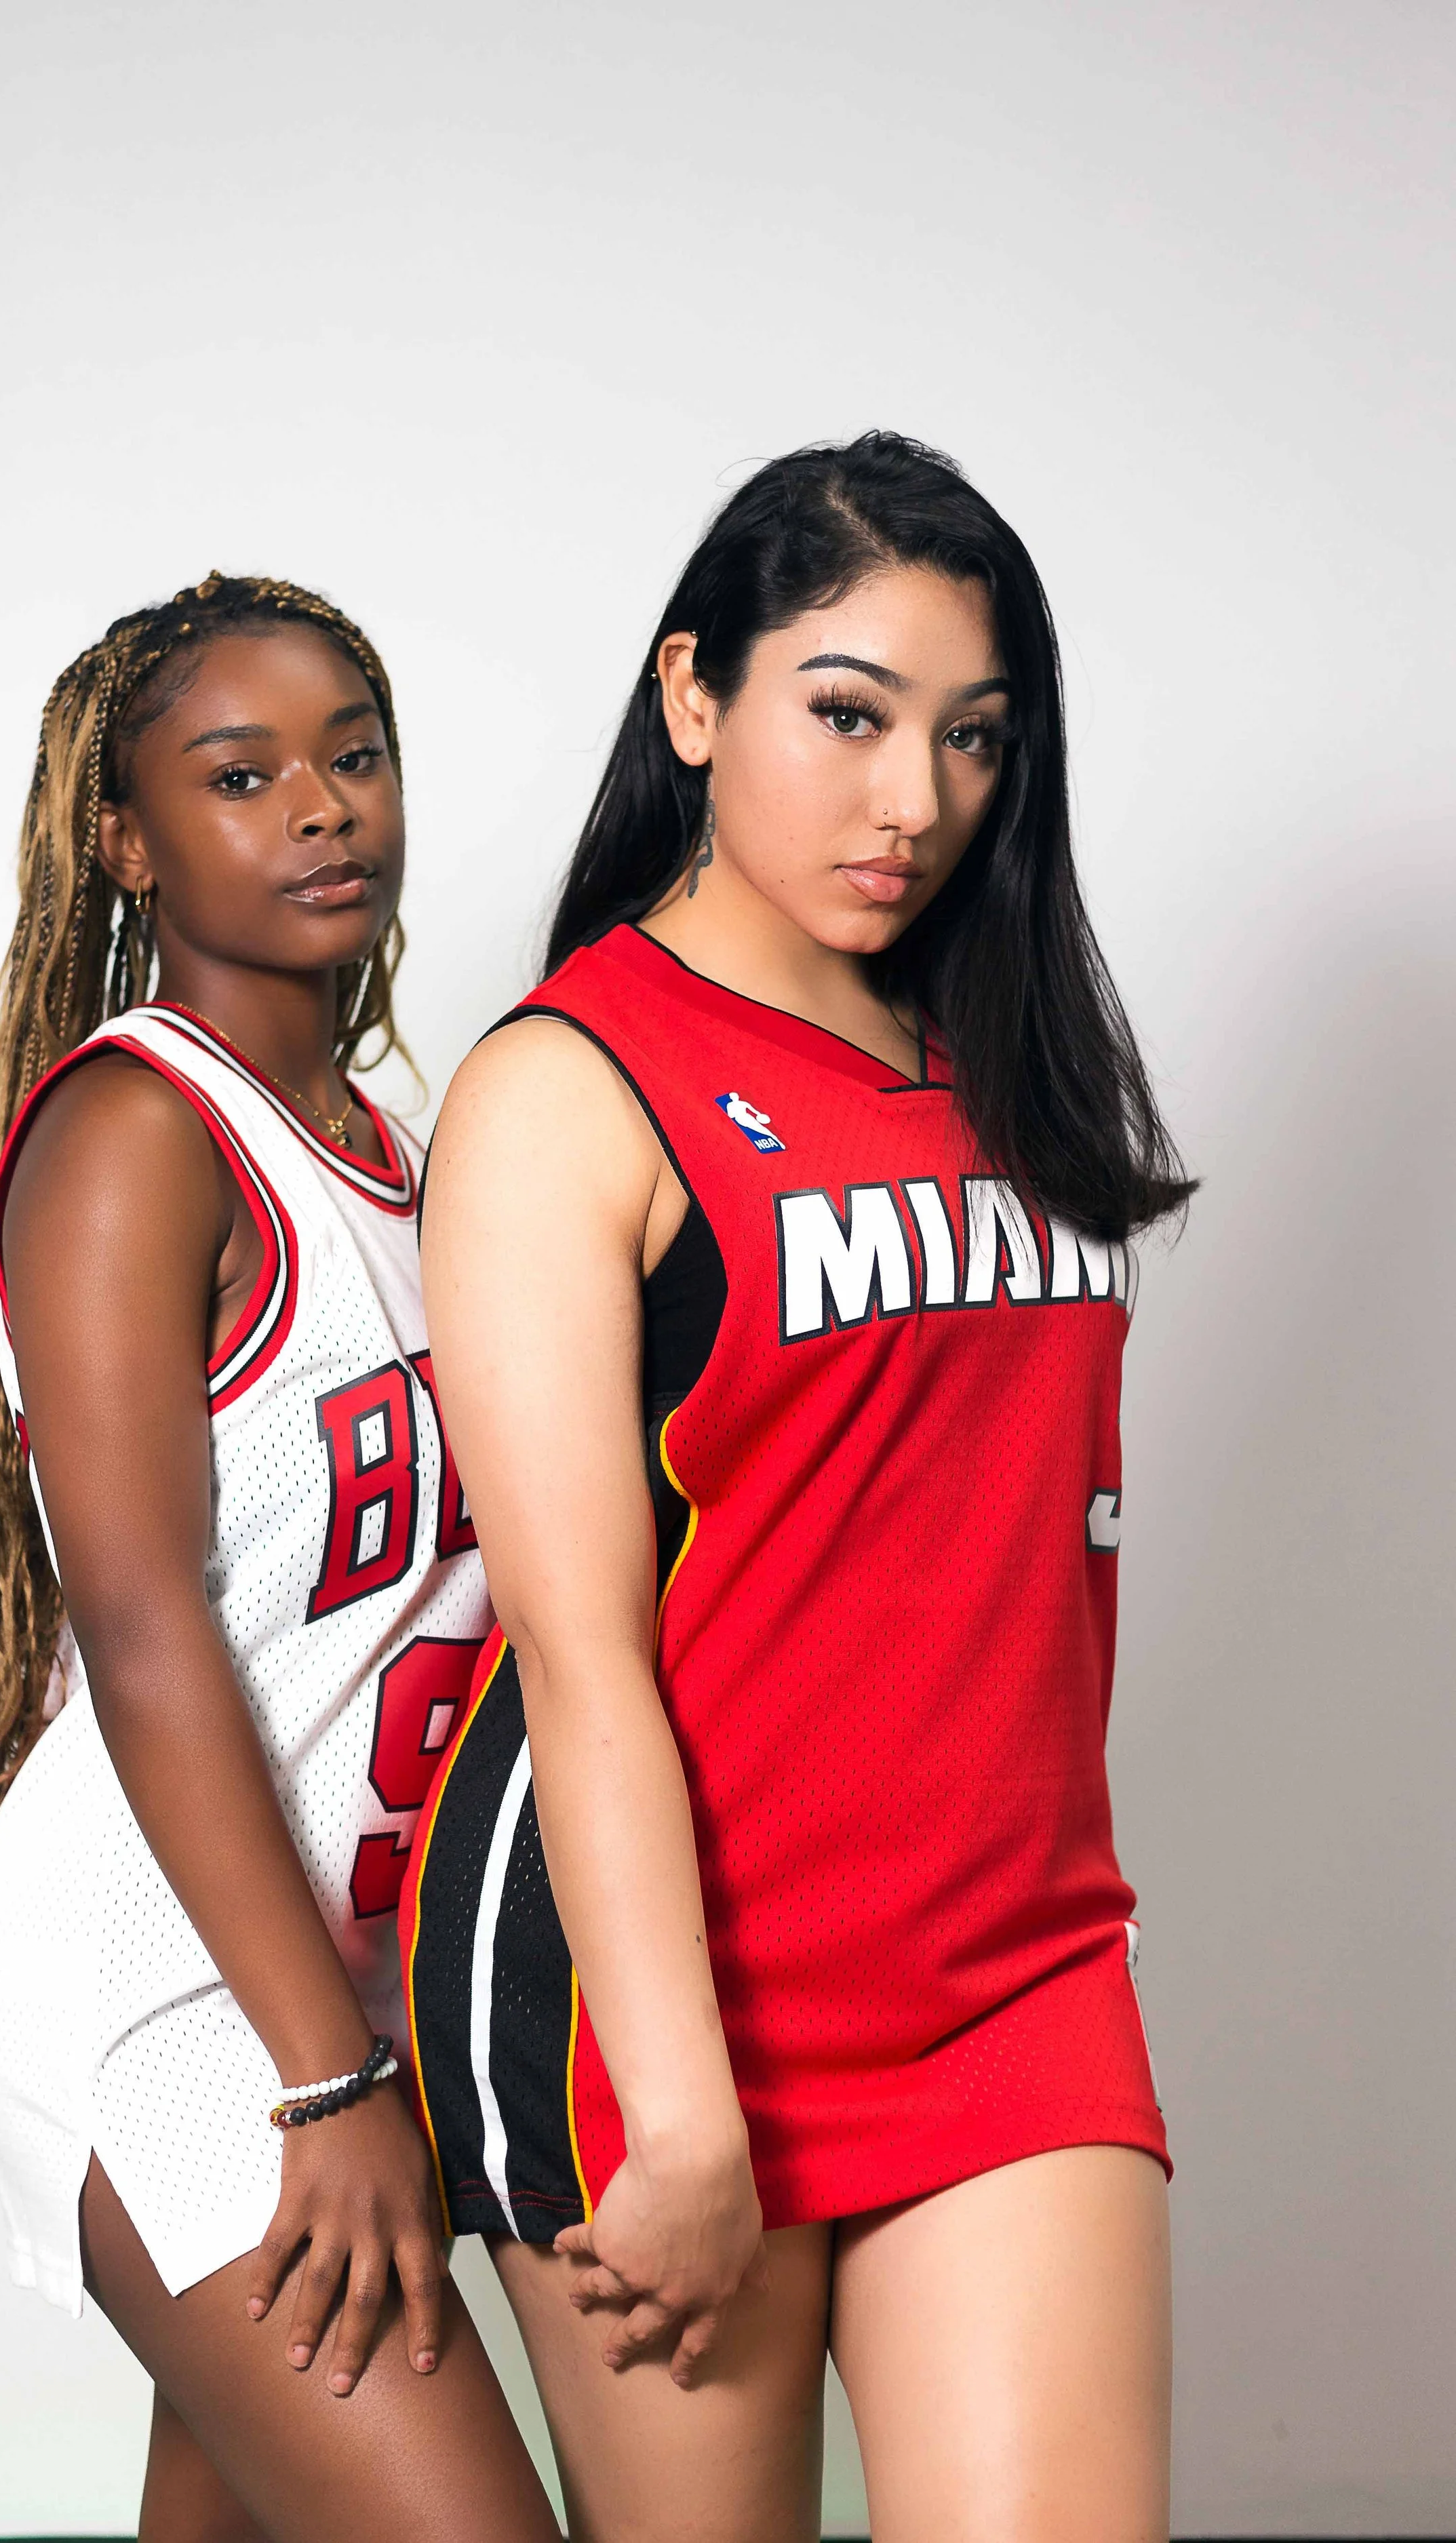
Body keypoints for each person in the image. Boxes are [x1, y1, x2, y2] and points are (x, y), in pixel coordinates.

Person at [401, 436, 1187, 2542]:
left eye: (971, 736)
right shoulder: (566, 1087)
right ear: (692, 696)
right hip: (657, 1994)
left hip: (1010, 1966)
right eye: (847, 713)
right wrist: (675, 2109)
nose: (912, 796)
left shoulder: (1005, 1058)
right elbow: (575, 1652)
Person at [0, 574, 559, 2543]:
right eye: (241, 775)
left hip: (348, 1980)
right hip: (183, 1996)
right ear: (126, 839)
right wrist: (326, 2083)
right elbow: (144, 1623)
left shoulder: (406, 1150)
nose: (322, 805)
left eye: (355, 755)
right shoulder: (139, 1131)